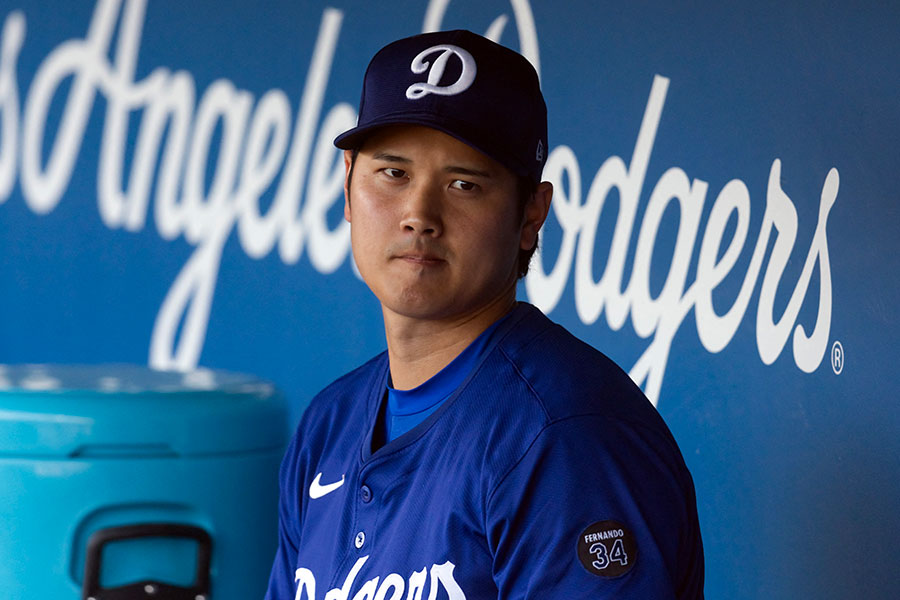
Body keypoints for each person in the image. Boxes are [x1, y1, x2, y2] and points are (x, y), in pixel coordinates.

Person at [265, 29, 703, 599]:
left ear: (530, 215)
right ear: (347, 184)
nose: (419, 215)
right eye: (393, 173)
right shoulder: (330, 424)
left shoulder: (567, 439)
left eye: (464, 184)